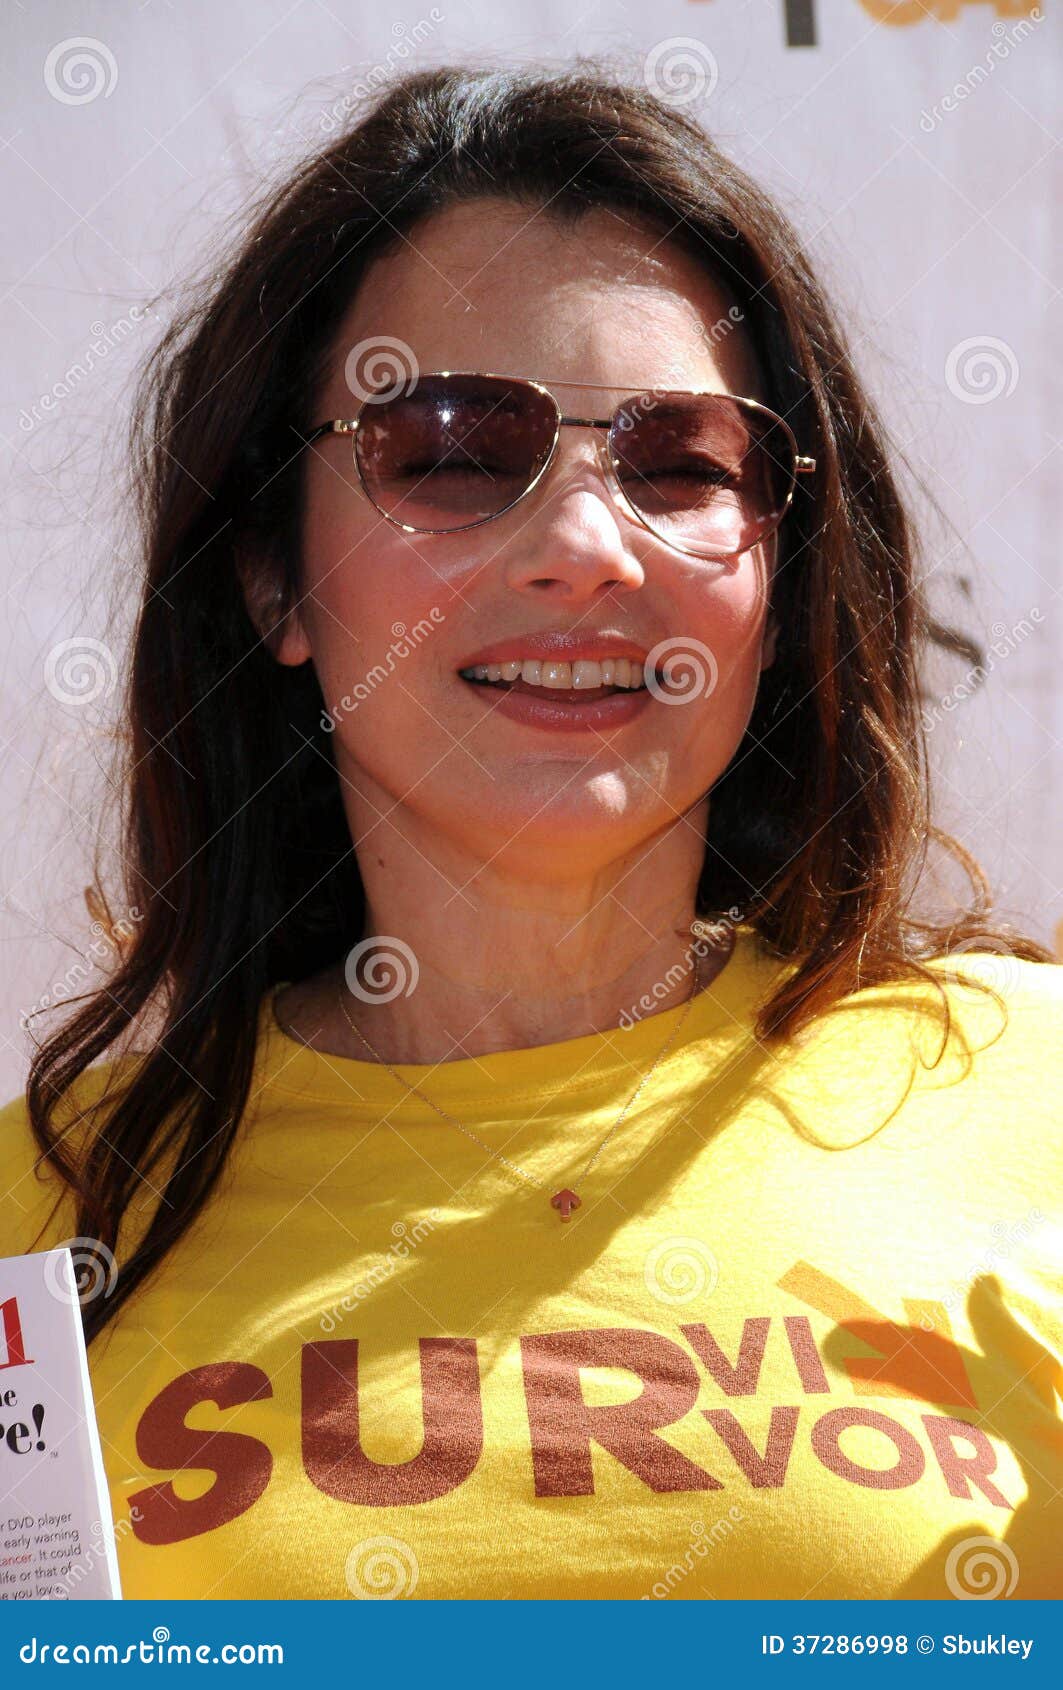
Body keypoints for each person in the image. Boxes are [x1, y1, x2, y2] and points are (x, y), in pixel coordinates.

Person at [2, 62, 1060, 1603]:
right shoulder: (43, 1227)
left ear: (780, 577)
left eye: (681, 463)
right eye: (448, 449)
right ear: (273, 579)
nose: (583, 547)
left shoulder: (1036, 1107)